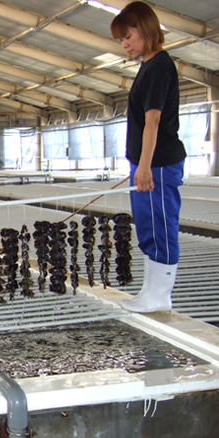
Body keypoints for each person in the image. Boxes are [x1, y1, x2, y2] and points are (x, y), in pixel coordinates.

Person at [110, 1, 186, 313]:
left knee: (160, 224)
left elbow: (153, 121)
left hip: (159, 163)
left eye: (128, 36)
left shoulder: (158, 67)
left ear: (146, 30)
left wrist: (144, 166)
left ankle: (161, 295)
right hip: (147, 162)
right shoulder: (148, 65)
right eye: (121, 39)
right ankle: (150, 291)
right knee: (147, 225)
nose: (125, 43)